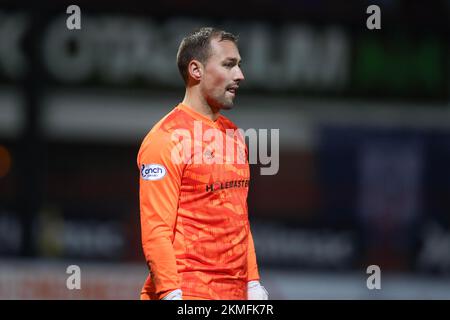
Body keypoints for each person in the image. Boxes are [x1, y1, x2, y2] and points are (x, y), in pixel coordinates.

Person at [137, 27, 268, 300]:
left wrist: (253, 283)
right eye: (229, 65)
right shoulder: (165, 139)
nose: (240, 75)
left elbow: (239, 220)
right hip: (188, 292)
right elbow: (156, 230)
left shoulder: (234, 136)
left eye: (239, 65)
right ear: (196, 71)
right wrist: (172, 294)